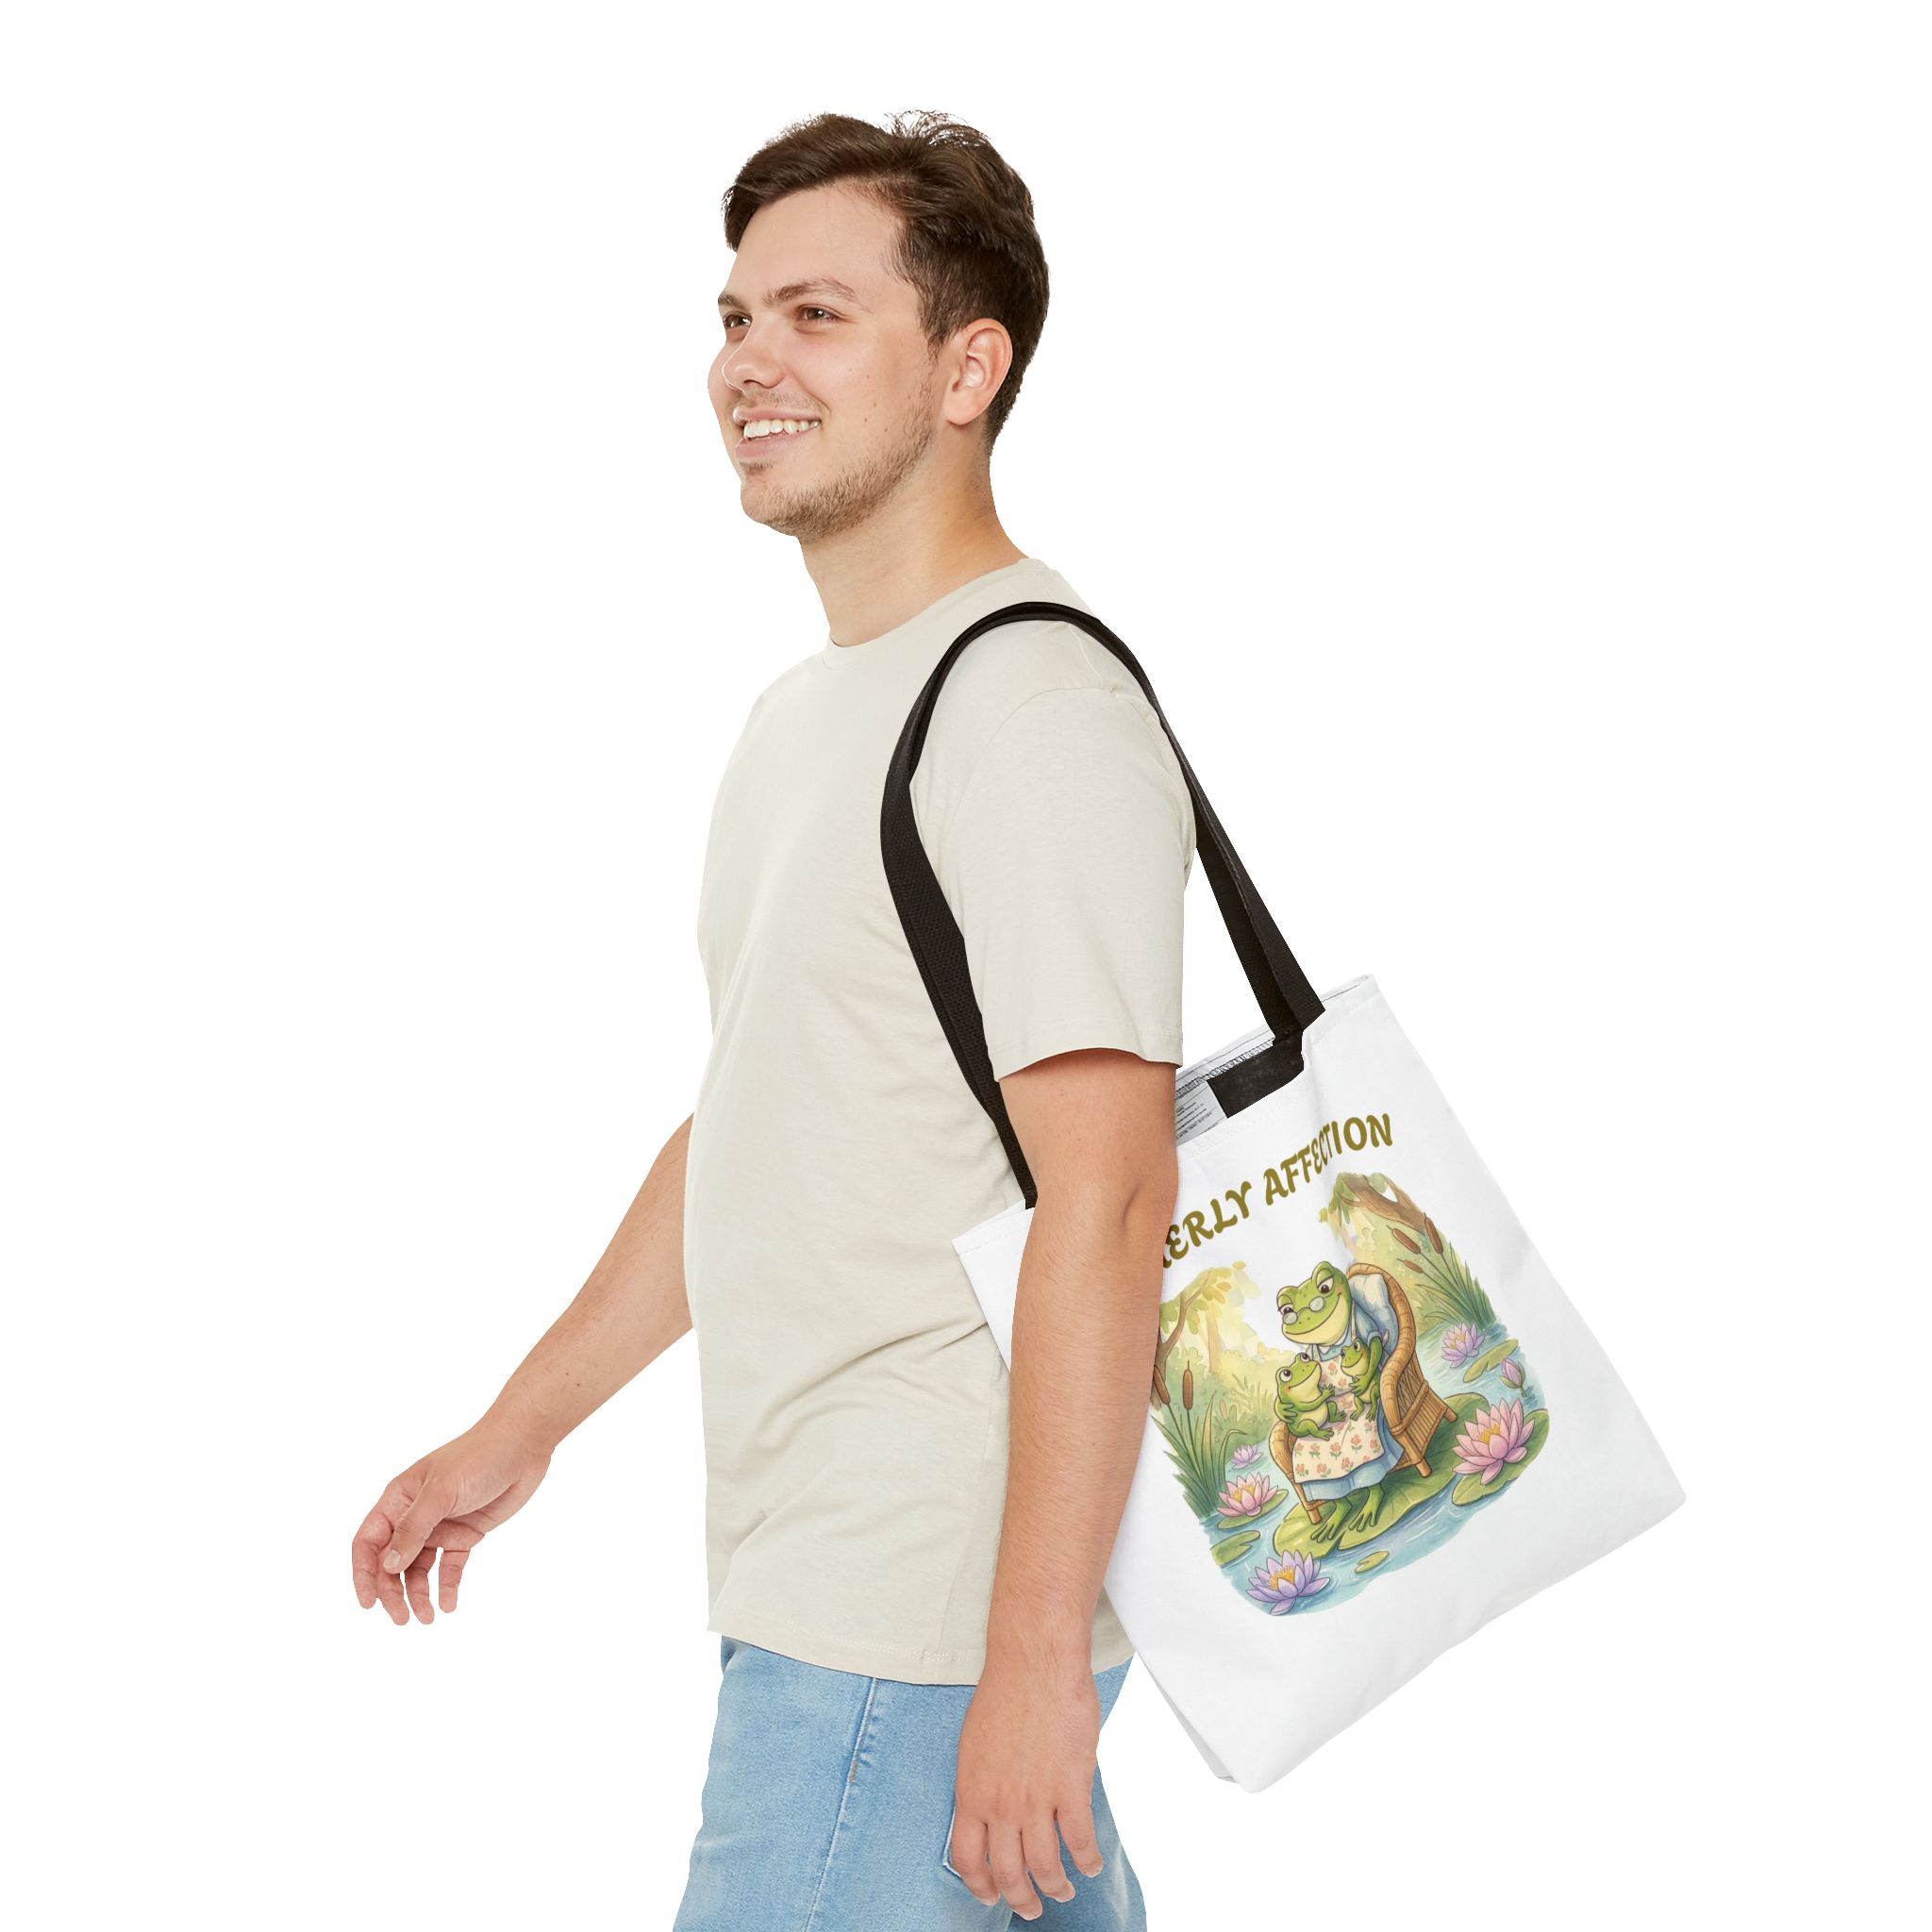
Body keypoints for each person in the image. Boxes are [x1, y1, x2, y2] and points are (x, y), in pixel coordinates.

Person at [349, 108, 1196, 1929]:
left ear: (968, 368)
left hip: (908, 1624)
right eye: (736, 317)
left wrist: (1031, 1665)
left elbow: (1114, 1194)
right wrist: (519, 1430)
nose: (750, 363)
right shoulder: (808, 719)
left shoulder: (1027, 705)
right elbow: (759, 1127)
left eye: (817, 315)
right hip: (842, 1595)